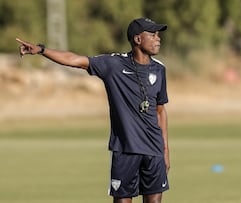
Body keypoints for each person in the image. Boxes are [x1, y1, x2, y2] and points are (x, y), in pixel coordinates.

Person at [16, 17, 170, 203]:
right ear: (138, 39)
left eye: (158, 34)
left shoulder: (160, 70)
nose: (158, 38)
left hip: (154, 152)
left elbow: (160, 111)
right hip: (125, 150)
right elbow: (74, 60)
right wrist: (41, 50)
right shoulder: (113, 65)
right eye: (152, 34)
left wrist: (165, 151)